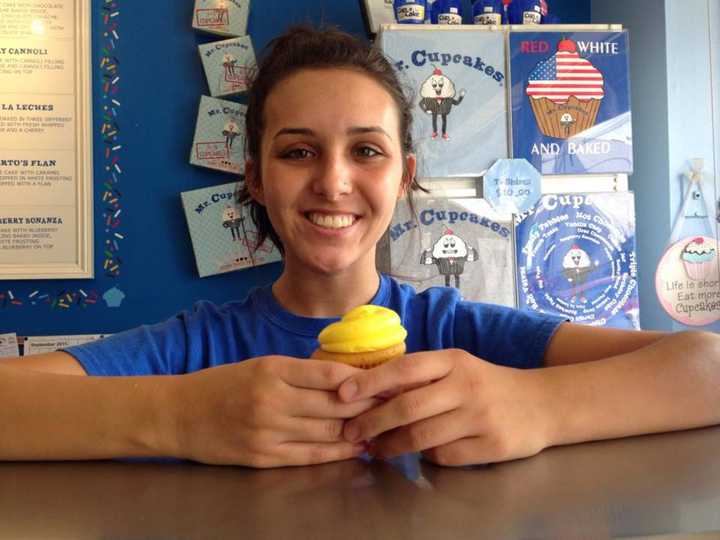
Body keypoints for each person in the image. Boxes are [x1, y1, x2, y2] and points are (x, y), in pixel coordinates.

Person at [1, 25, 719, 468]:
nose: (333, 181)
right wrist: (182, 416)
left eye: (366, 151)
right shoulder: (195, 351)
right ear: (254, 177)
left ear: (404, 175)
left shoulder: (459, 337)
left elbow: (706, 365)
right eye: (298, 151)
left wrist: (539, 407)